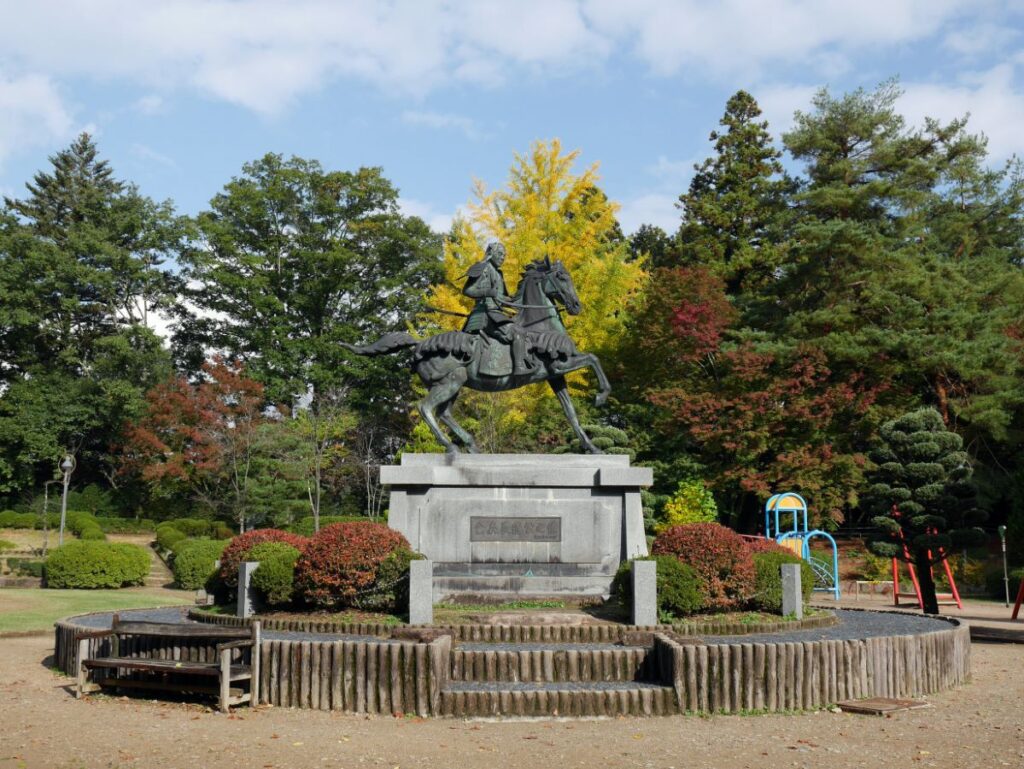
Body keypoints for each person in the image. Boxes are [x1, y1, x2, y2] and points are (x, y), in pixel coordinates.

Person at [462, 241, 532, 376]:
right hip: (486, 314)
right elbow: (467, 290)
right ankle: (519, 368)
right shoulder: (483, 268)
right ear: (491, 253)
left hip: (496, 314)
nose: (502, 257)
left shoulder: (498, 273)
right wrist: (487, 292)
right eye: (499, 254)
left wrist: (515, 300)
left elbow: (500, 298)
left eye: (504, 255)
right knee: (517, 333)